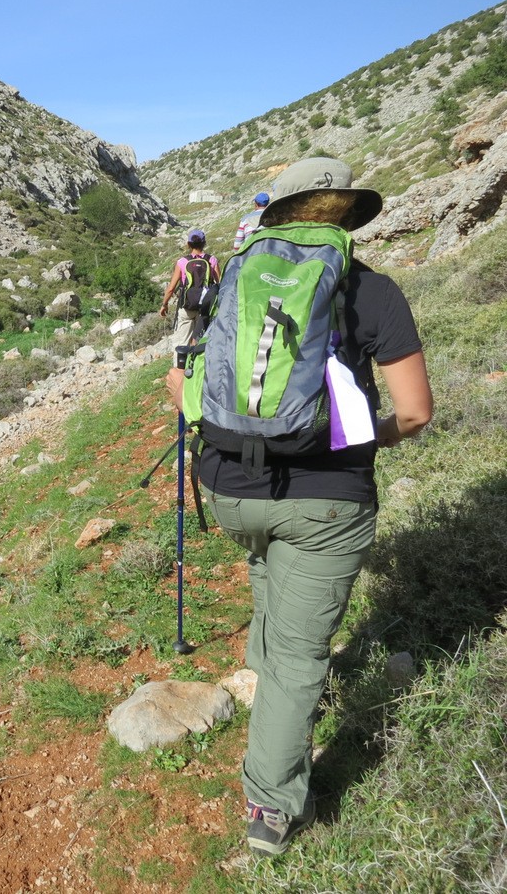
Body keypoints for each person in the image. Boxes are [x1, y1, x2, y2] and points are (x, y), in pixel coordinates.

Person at [166, 157, 433, 857]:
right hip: (326, 501)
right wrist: (355, 445)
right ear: (348, 216)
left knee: (266, 571)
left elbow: (185, 385)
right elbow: (416, 412)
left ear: (279, 213)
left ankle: (266, 675)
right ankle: (272, 807)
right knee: (297, 659)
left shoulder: (235, 283)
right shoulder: (372, 291)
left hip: (229, 492)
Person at [159, 229, 219, 352]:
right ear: (204, 243)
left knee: (182, 342)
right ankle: (195, 367)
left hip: (186, 306)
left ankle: (179, 367)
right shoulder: (211, 260)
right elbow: (220, 284)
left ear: (188, 244)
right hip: (205, 308)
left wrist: (164, 305)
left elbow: (171, 288)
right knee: (200, 341)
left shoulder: (182, 262)